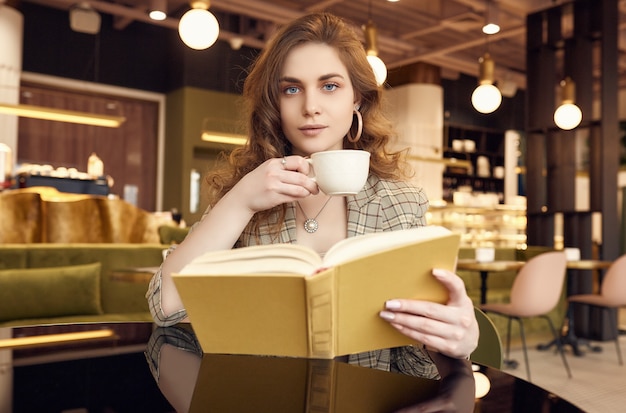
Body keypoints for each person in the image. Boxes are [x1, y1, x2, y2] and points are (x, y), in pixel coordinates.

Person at [147, 12, 478, 380]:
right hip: (264, 396)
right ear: (275, 103)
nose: (310, 106)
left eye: (330, 86)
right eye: (292, 88)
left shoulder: (400, 202)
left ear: (358, 100)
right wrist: (240, 200)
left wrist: (459, 340)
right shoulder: (245, 192)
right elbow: (167, 308)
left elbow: (415, 359)